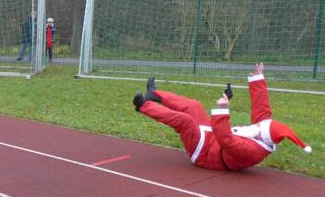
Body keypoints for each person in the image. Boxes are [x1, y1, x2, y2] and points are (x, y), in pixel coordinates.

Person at [133, 63, 312, 171]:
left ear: (263, 137)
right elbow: (262, 108)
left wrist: (223, 110)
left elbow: (226, 140)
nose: (257, 126)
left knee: (185, 121)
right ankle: (154, 95)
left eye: (260, 128)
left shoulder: (253, 151)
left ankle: (143, 106)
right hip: (211, 137)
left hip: (204, 153)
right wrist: (258, 79)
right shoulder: (263, 132)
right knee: (194, 106)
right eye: (260, 125)